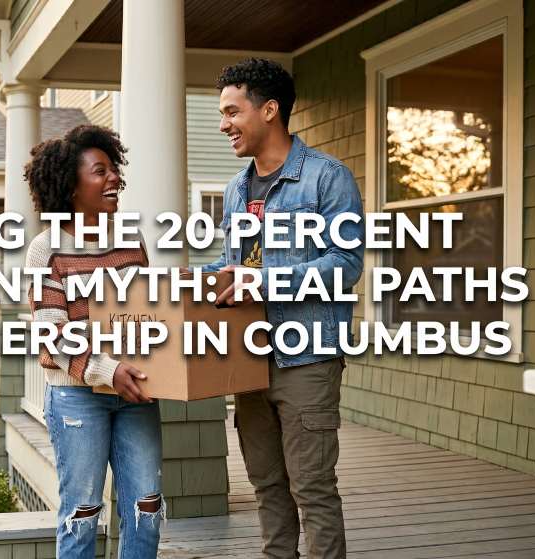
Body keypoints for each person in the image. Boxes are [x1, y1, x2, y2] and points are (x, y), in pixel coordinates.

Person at [201, 58, 364, 558]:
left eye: (232, 111)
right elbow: (237, 262)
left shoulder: (325, 178)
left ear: (269, 110)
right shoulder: (235, 190)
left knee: (311, 489)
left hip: (307, 359)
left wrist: (263, 282)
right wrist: (203, 280)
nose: (224, 123)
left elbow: (345, 263)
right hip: (248, 360)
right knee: (267, 487)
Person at [24, 124, 165, 559]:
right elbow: (52, 331)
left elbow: (144, 312)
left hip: (135, 391)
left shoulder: (130, 240)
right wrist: (108, 370)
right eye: (99, 171)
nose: (113, 179)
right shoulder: (45, 250)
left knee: (146, 506)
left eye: (113, 169)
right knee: (82, 513)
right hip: (77, 399)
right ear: (70, 186)